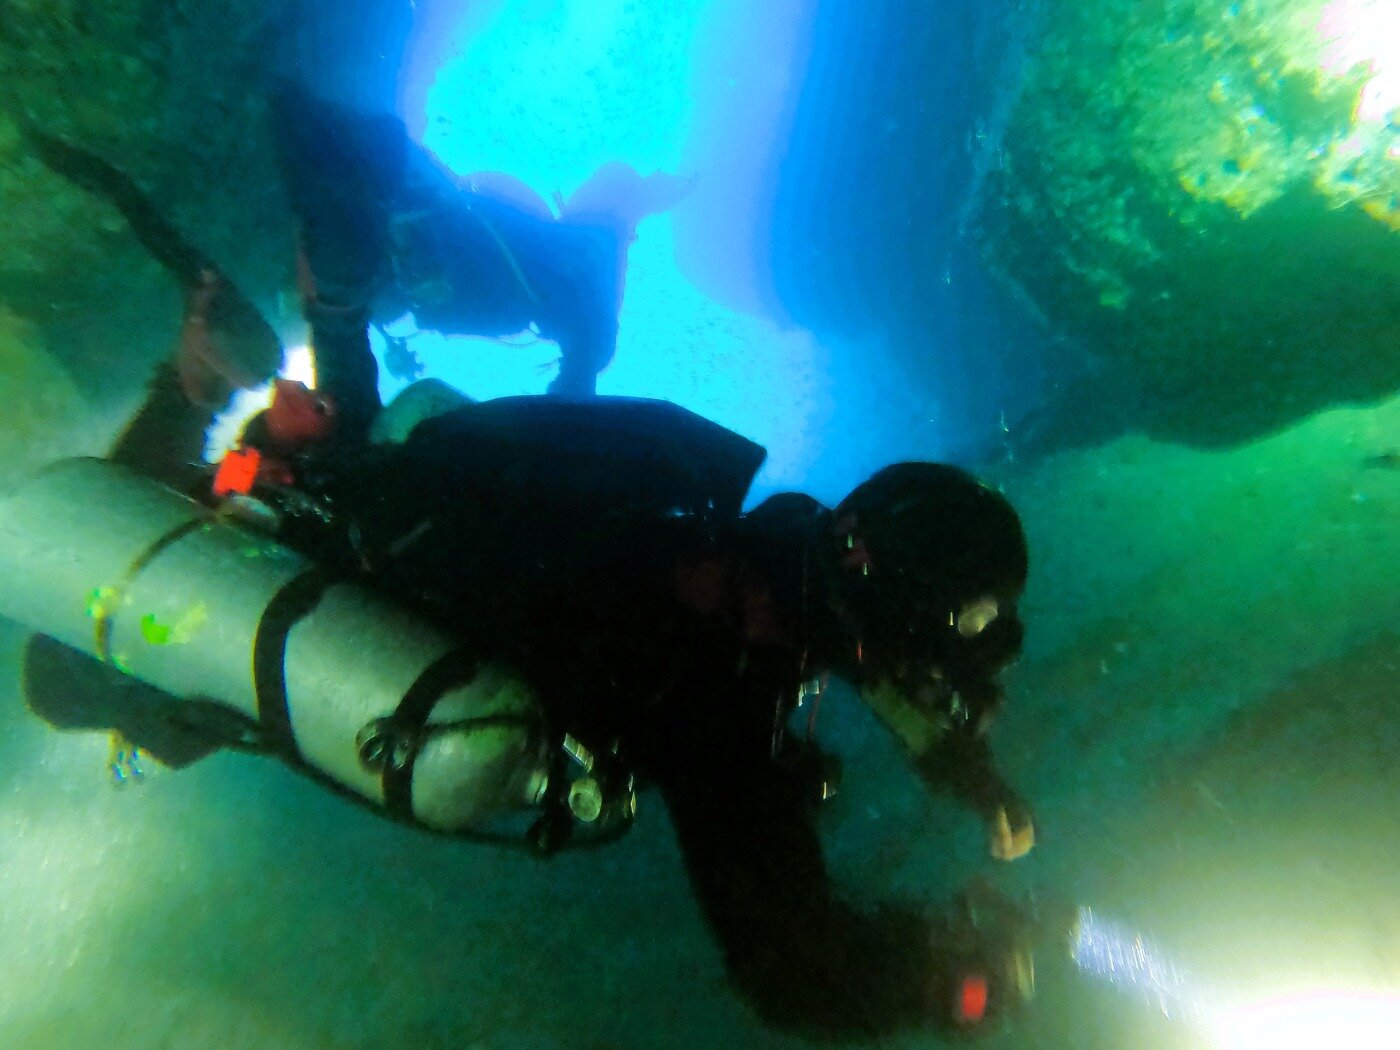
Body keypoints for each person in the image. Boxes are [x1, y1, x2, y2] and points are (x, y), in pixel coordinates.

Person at [21, 175, 1036, 1041]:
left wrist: (972, 779)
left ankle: (289, 370)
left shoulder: (759, 533)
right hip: (341, 567)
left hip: (386, 509)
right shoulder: (708, 700)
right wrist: (949, 984)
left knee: (295, 539)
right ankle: (196, 392)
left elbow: (863, 645)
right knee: (71, 679)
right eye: (940, 649)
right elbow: (791, 970)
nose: (934, 675)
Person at [272, 84, 694, 440]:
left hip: (427, 251)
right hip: (429, 257)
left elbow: (579, 381)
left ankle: (295, 113)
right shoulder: (574, 269)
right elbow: (577, 386)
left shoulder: (573, 263)